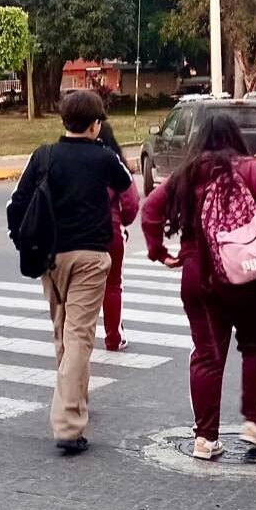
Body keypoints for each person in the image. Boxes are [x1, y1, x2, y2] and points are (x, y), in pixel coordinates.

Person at [141, 113, 256, 459]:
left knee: (208, 356)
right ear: (236, 137)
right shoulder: (249, 168)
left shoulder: (187, 173)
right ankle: (253, 423)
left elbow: (150, 208)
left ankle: (205, 439)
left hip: (200, 274)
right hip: (251, 273)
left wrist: (158, 251)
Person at [6, 90, 133, 455]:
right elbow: (127, 189)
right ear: (96, 125)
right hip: (91, 258)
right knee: (78, 337)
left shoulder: (43, 155)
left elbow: (16, 204)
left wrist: (22, 240)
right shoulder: (104, 158)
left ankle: (76, 400)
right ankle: (68, 423)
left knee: (63, 334)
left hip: (51, 258)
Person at [97, 122, 140, 352]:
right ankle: (113, 336)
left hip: (75, 234)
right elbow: (131, 203)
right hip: (111, 232)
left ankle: (69, 337)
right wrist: (123, 222)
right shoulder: (116, 164)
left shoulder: (72, 160)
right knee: (113, 285)